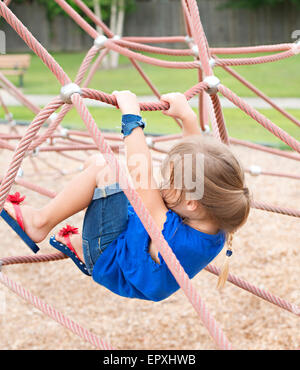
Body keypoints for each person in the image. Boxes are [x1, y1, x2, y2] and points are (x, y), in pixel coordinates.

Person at [1, 91, 250, 300]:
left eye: (171, 183)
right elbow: (199, 166)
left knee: (107, 168)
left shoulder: (175, 235)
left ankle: (39, 224)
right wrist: (187, 117)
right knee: (97, 164)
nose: (164, 186)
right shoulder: (218, 211)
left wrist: (132, 117)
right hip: (137, 258)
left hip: (113, 262)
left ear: (191, 203)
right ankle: (82, 243)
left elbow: (139, 171)